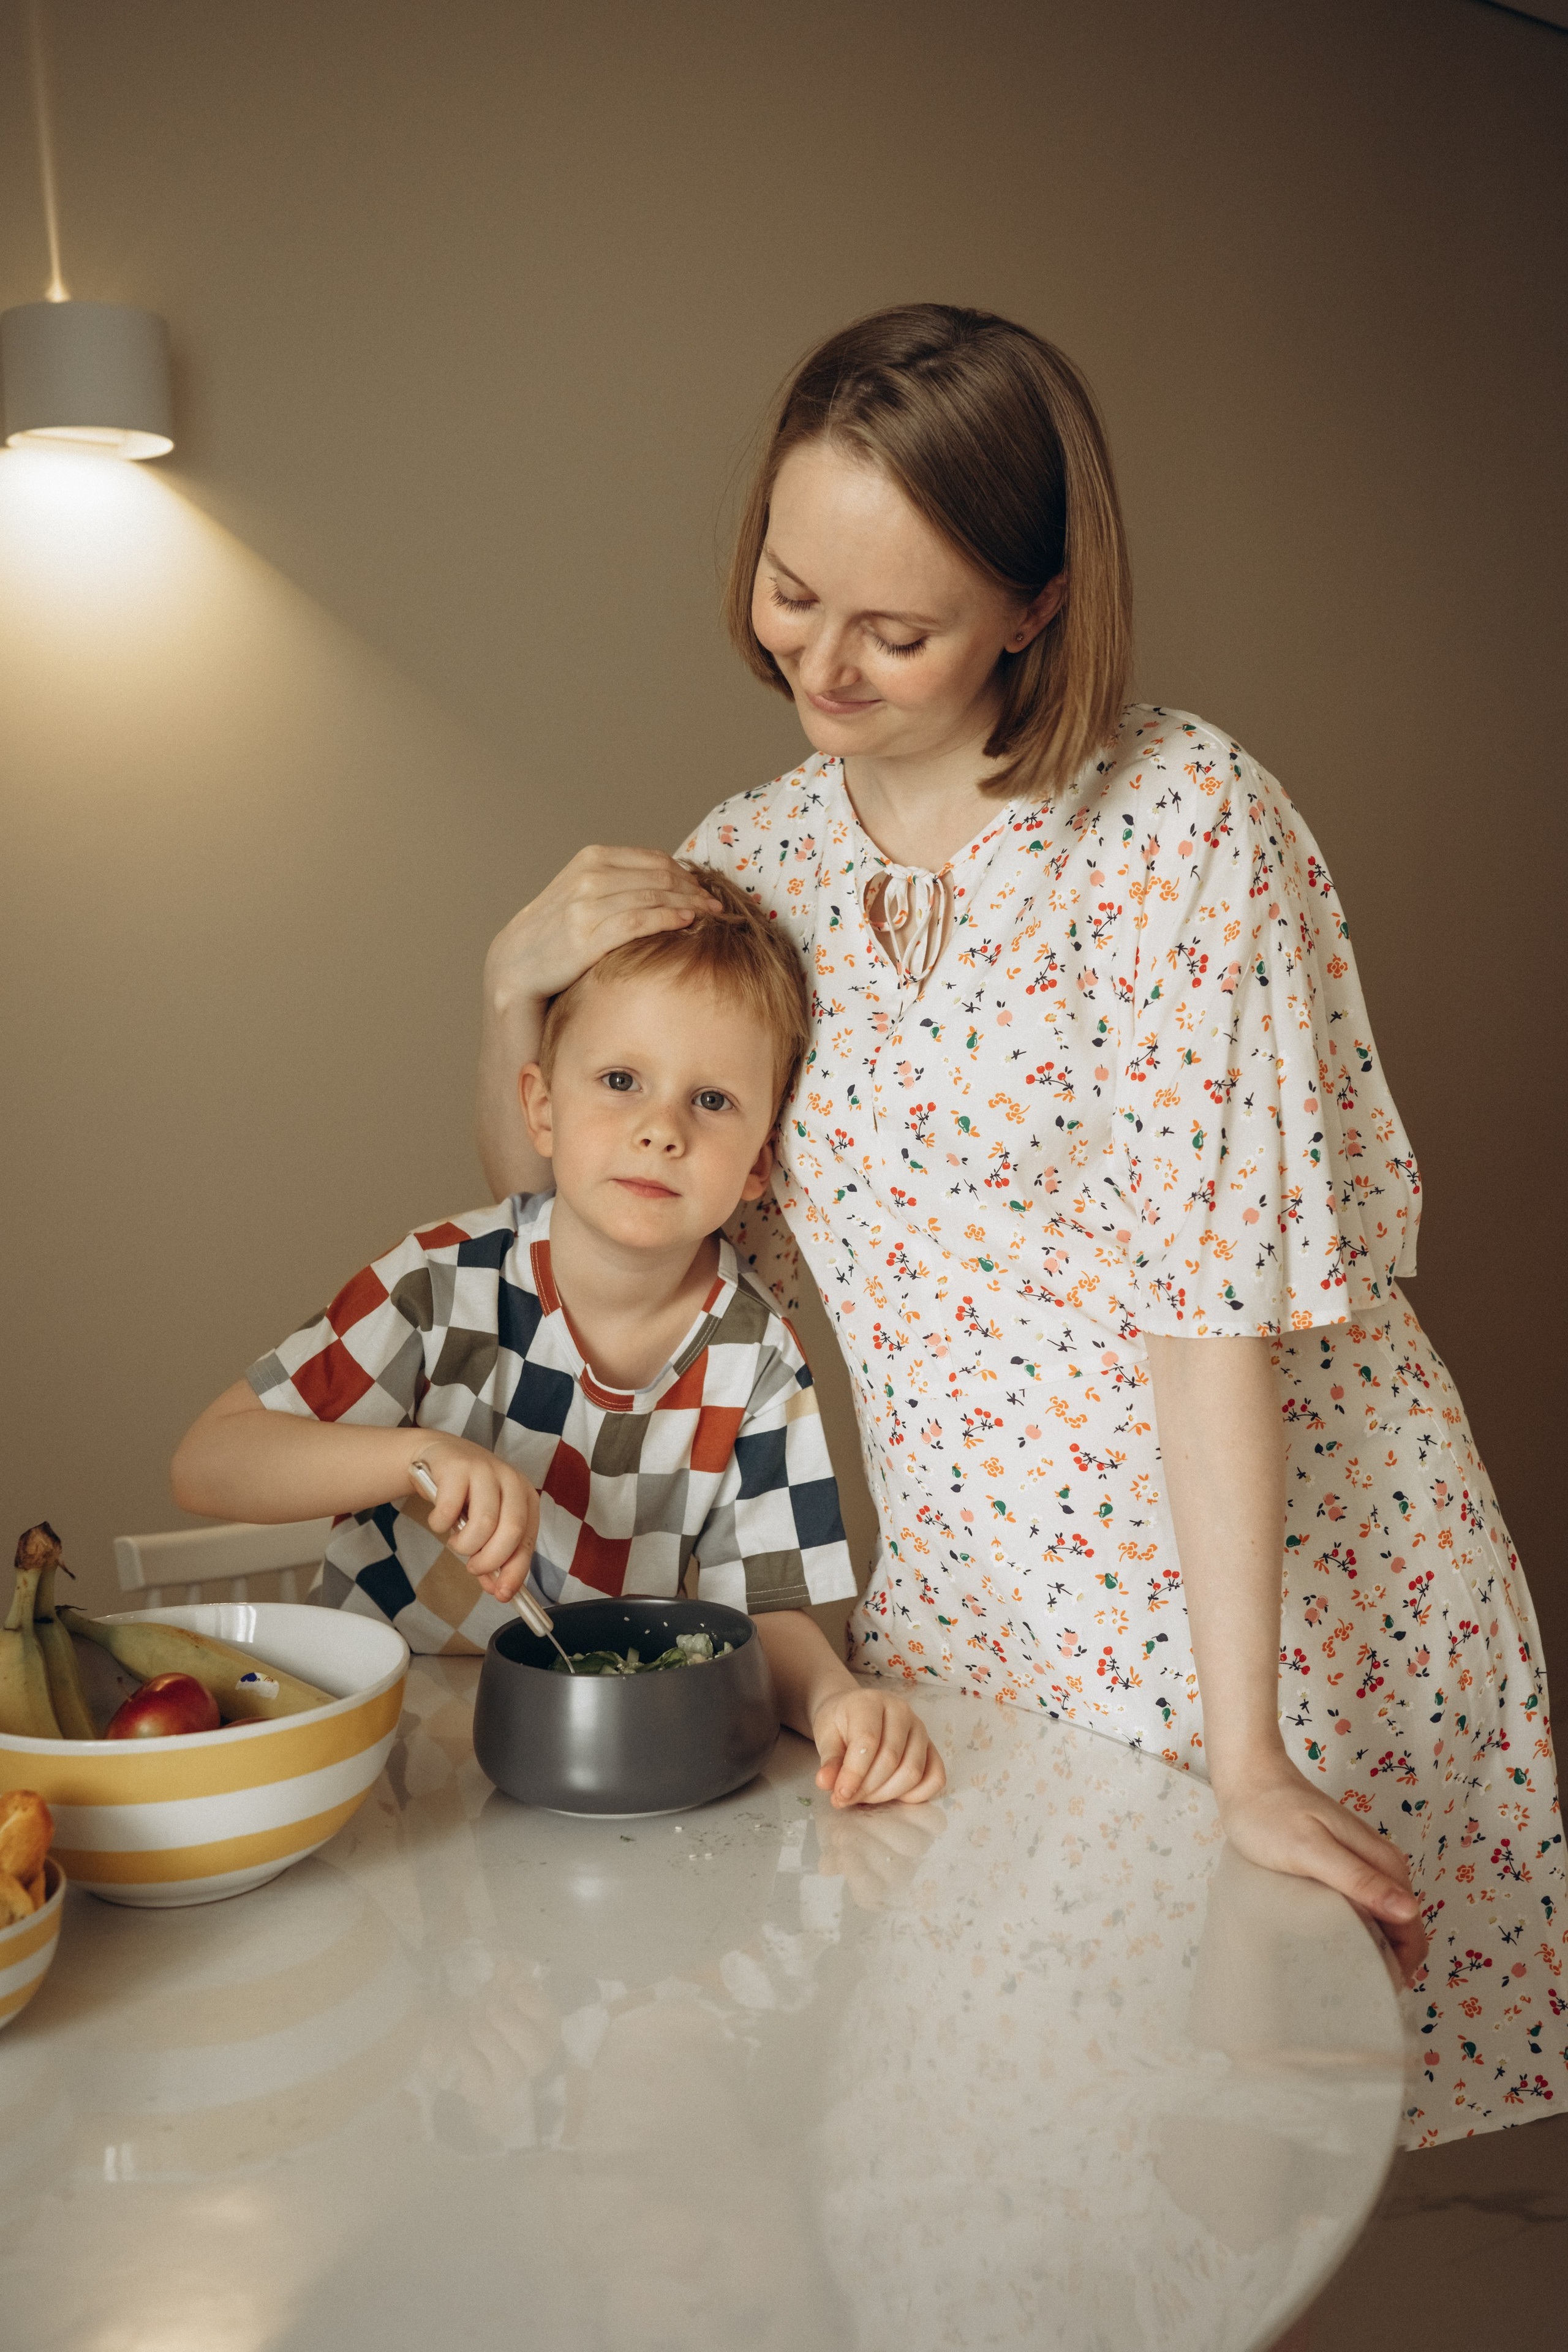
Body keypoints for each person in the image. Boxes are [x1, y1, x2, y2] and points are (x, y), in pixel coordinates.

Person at [474, 304, 1564, 2147]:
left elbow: (1204, 1296)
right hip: (979, 1626)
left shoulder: (1180, 825)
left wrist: (1248, 1759)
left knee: (1239, 2206)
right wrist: (509, 986)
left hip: (1265, 1609)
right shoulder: (755, 867)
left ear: (1038, 606)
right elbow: (609, 1252)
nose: (823, 659)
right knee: (1006, 2188)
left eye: (895, 630)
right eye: (791, 589)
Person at [172, 866, 945, 1811]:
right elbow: (208, 1461)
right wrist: (415, 1458)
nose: (660, 1130)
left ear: (759, 1165)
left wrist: (836, 1701)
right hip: (377, 1751)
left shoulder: (758, 1357)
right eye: (621, 1081)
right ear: (542, 1107)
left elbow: (767, 1618)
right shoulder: (435, 1283)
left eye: (712, 1102)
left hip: (594, 1765)